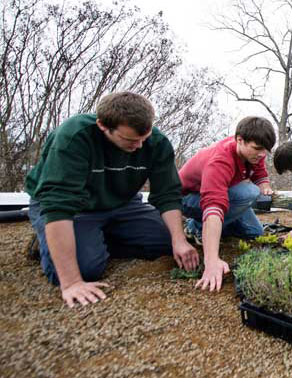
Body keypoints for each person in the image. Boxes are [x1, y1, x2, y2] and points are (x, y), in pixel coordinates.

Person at [26, 92, 199, 308]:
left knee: (168, 242)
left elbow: (167, 194)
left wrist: (179, 240)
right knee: (86, 269)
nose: (139, 147)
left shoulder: (156, 143)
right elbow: (59, 205)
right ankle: (50, 239)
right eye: (130, 140)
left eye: (144, 138)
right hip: (75, 208)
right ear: (103, 126)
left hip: (122, 204)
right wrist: (71, 283)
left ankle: (91, 240)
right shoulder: (75, 136)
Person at [178, 116, 276, 292]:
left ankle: (204, 228)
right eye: (258, 149)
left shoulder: (254, 153)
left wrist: (265, 186)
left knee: (254, 232)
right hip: (186, 198)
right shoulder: (220, 161)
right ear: (240, 140)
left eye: (266, 150)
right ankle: (197, 227)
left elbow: (260, 172)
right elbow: (213, 207)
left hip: (221, 193)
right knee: (249, 193)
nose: (262, 154)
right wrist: (211, 260)